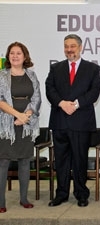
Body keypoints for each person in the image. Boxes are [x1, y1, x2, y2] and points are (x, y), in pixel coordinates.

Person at [46, 34, 100, 207]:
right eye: (66, 46)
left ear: (80, 47)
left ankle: (81, 193)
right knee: (60, 160)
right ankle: (61, 193)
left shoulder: (92, 68)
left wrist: (75, 104)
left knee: (80, 160)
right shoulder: (56, 68)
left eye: (72, 46)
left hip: (81, 121)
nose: (69, 50)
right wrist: (62, 103)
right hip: (60, 121)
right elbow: (50, 89)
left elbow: (94, 92)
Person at [0, 42, 41, 213]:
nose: (15, 56)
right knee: (3, 162)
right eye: (12, 53)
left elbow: (37, 99)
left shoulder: (32, 75)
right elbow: (1, 100)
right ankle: (1, 203)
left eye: (18, 53)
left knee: (25, 161)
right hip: (6, 124)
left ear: (25, 56)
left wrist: (26, 116)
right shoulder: (2, 76)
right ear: (8, 57)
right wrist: (17, 115)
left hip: (26, 124)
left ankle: (24, 199)